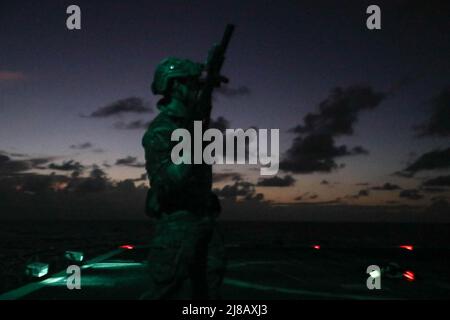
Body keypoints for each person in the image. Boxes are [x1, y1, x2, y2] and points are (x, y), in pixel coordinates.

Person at [140, 57, 226, 300]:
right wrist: (193, 145)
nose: (197, 90)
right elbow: (167, 183)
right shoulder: (161, 131)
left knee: (208, 287)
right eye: (193, 84)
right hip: (176, 225)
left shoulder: (190, 125)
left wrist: (210, 81)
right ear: (176, 86)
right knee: (164, 291)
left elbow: (201, 113)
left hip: (203, 219)